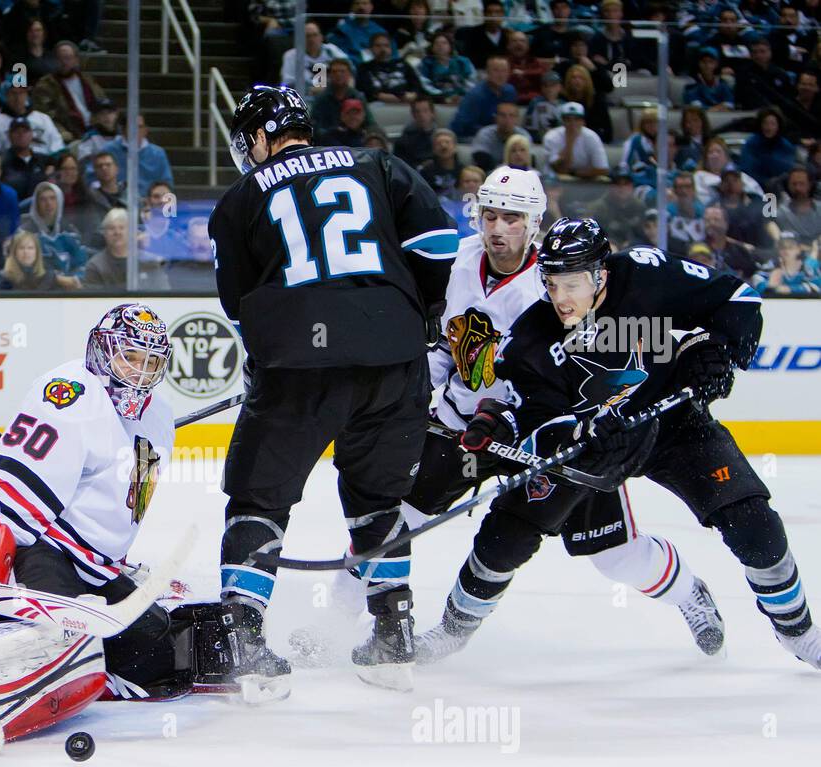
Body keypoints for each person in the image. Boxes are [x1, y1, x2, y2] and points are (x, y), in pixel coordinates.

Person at [421, 217, 821, 672]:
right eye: (551, 283)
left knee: (755, 528)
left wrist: (720, 349)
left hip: (673, 423)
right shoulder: (531, 339)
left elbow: (738, 298)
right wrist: (573, 429)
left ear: (601, 274)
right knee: (507, 537)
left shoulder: (647, 275)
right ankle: (451, 631)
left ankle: (799, 633)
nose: (561, 298)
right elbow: (536, 417)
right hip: (594, 449)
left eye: (572, 283)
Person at [0, 304, 263, 757]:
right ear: (102, 352)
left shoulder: (157, 416)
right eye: (129, 358)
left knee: (156, 655)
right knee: (57, 633)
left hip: (94, 564)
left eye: (150, 362)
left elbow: (116, 511)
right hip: (41, 552)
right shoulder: (70, 393)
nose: (139, 374)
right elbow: (10, 485)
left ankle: (83, 668)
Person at [404, 168, 720, 665]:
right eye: (489, 214)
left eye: (512, 217)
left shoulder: (556, 284)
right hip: (464, 423)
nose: (498, 227)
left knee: (614, 556)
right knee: (399, 516)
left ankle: (688, 593)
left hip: (551, 431)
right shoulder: (455, 262)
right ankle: (392, 620)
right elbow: (446, 345)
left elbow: (590, 375)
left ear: (534, 222)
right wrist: (415, 384)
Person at [207, 85, 458, 688]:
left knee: (258, 500)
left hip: (299, 367)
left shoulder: (241, 198)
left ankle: (245, 642)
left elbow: (240, 306)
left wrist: (269, 348)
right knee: (378, 500)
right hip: (394, 364)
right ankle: (393, 637)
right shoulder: (378, 164)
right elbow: (439, 243)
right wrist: (412, 316)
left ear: (264, 137)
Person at [30, 40, 107, 142]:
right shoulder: (45, 86)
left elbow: (102, 102)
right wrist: (62, 133)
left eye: (68, 58)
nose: (64, 62)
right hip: (69, 134)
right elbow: (45, 116)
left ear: (76, 60)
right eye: (60, 58)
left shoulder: (87, 80)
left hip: (95, 129)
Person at [80, 207, 168, 290]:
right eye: (111, 228)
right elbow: (93, 302)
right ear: (104, 234)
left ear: (132, 231)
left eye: (122, 228)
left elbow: (164, 296)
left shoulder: (150, 262)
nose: (117, 232)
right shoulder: (95, 266)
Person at [20, 181, 87, 277]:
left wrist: (74, 280)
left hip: (68, 289)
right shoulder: (24, 233)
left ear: (59, 201)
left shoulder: (70, 231)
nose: (48, 203)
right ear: (36, 204)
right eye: (43, 199)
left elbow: (81, 263)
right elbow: (22, 267)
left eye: (52, 198)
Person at [451, 55, 517, 140]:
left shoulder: (510, 91)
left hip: (498, 135)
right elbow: (462, 126)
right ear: (487, 72)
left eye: (504, 71)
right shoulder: (475, 95)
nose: (501, 75)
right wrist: (494, 131)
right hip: (468, 137)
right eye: (496, 70)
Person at [543, 100, 609, 179]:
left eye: (577, 119)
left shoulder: (592, 137)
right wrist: (570, 143)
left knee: (603, 179)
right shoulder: (552, 137)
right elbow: (560, 169)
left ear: (583, 121)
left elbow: (603, 169)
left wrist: (575, 174)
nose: (572, 123)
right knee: (564, 177)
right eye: (568, 119)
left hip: (586, 179)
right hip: (556, 180)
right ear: (562, 121)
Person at [0, 228, 80, 290]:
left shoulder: (49, 276)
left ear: (37, 253)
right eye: (21, 248)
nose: (26, 252)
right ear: (14, 253)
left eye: (30, 248)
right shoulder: (3, 280)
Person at [1, 117, 50, 200]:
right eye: (17, 132)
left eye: (25, 131)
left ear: (31, 134)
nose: (21, 135)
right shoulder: (2, 161)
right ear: (9, 135)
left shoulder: (42, 160)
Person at [395, 97, 437, 169]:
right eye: (417, 112)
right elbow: (400, 167)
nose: (421, 115)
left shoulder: (441, 138)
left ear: (433, 113)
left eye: (425, 111)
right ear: (413, 115)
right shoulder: (403, 141)